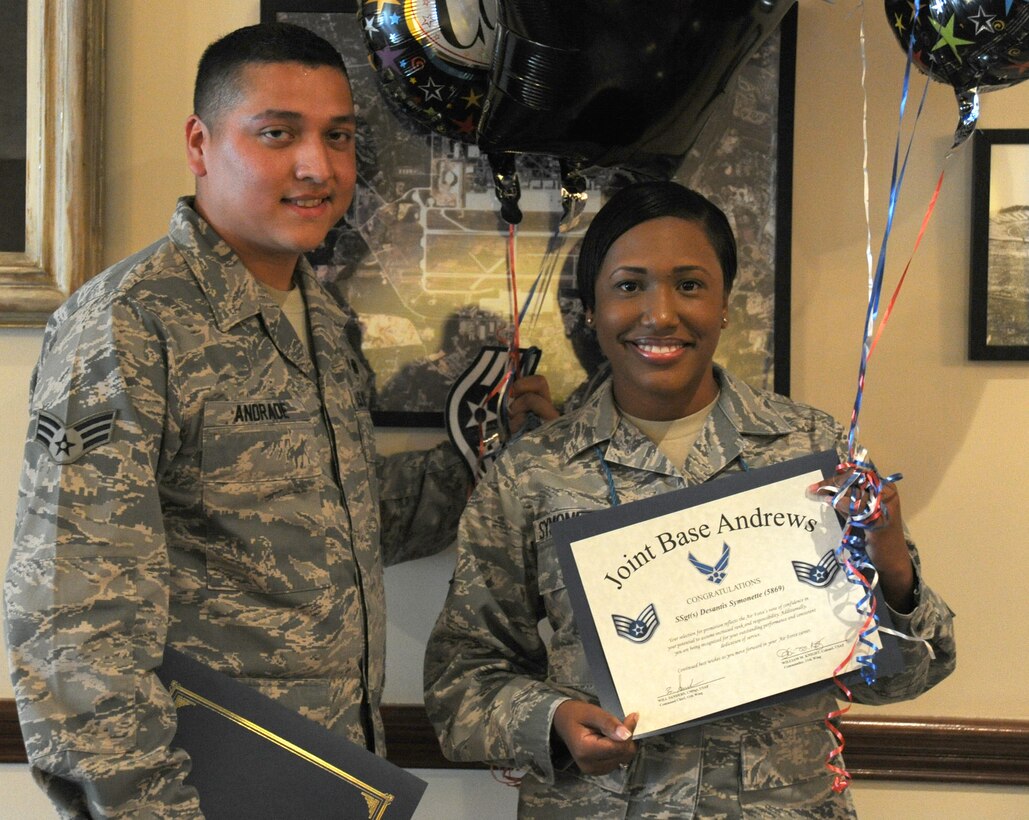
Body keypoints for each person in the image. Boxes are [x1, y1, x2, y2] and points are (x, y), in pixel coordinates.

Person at [3, 23, 475, 817]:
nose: (315, 167)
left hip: (332, 776)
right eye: (277, 134)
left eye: (338, 137)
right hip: (201, 788)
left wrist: (478, 459)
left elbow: (339, 521)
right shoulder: (129, 322)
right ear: (200, 141)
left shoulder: (321, 320)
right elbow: (72, 614)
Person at [423, 181, 956, 818]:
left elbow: (904, 675)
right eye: (629, 285)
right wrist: (553, 719)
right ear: (591, 310)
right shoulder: (531, 474)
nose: (661, 313)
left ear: (725, 303)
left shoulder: (807, 449)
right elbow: (461, 680)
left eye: (690, 284)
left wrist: (890, 558)